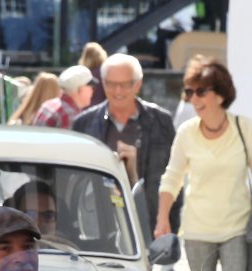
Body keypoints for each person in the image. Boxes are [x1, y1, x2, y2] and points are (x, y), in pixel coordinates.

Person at [154, 56, 252, 271]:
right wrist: (162, 218)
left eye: (201, 92)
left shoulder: (243, 127)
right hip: (197, 230)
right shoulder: (186, 133)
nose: (194, 99)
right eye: (190, 92)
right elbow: (172, 177)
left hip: (237, 228)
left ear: (220, 94)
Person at [72, 53, 176, 231]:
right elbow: (73, 180)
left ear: (138, 84)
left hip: (148, 222)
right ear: (103, 83)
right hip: (98, 223)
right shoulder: (84, 123)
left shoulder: (161, 121)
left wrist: (169, 223)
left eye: (125, 84)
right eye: (111, 84)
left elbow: (174, 176)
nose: (118, 91)